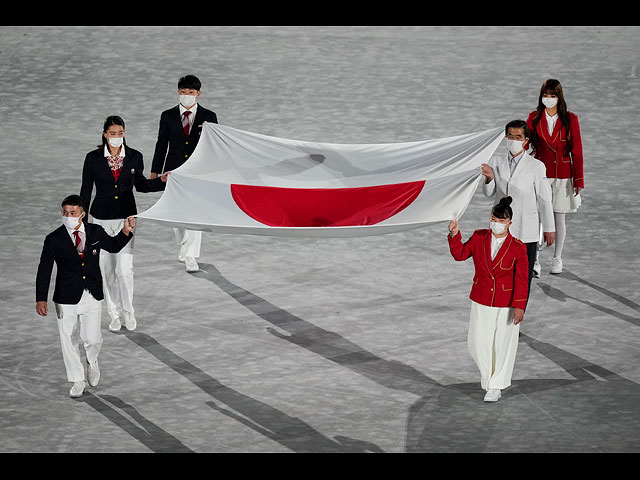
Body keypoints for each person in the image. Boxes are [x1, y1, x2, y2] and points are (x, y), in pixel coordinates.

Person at [36, 195, 135, 398]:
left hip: (92, 294)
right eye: (65, 213)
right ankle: (77, 379)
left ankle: (92, 360)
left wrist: (126, 231)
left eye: (72, 213)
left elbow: (114, 246)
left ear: (82, 213)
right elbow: (44, 270)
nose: (68, 216)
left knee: (92, 338)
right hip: (65, 297)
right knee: (68, 339)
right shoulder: (53, 239)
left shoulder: (95, 232)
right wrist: (41, 298)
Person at [80, 116, 168, 332]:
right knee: (107, 270)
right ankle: (114, 314)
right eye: (113, 134)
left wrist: (163, 182)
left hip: (126, 218)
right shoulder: (92, 158)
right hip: (100, 219)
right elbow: (86, 189)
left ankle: (129, 311)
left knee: (124, 269)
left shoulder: (135, 157)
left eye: (120, 133)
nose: (117, 137)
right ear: (104, 134)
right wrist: (80, 220)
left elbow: (142, 185)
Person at [447, 197, 529, 402]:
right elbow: (460, 254)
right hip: (481, 298)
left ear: (509, 223)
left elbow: (522, 279)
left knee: (502, 345)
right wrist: (455, 234)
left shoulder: (518, 247)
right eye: (493, 218)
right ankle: (487, 378)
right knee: (477, 343)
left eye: (501, 220)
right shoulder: (479, 237)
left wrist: (520, 306)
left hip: (506, 303)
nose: (496, 223)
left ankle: (495, 385)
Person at [150, 74, 218, 273]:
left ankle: (190, 255)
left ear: (198, 94)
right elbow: (161, 145)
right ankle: (183, 245)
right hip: (173, 171)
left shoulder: (209, 116)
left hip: (198, 172)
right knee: (176, 212)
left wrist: (213, 173)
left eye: (191, 92)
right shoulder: (167, 116)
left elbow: (214, 146)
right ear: (178, 92)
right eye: (183, 92)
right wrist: (155, 173)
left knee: (194, 214)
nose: (186, 95)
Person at [481, 120, 555, 296]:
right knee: (500, 275)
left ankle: (517, 314)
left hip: (525, 231)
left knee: (522, 278)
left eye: (518, 137)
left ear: (526, 140)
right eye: (510, 136)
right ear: (506, 137)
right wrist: (490, 178)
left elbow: (544, 199)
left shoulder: (537, 167)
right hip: (502, 229)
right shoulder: (496, 162)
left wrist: (549, 228)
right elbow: (488, 193)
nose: (513, 140)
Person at [526, 79, 584, 275]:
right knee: (539, 217)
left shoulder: (570, 119)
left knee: (559, 218)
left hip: (562, 175)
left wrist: (578, 179)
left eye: (552, 95)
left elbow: (577, 151)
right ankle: (534, 260)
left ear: (559, 97)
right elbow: (525, 143)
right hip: (541, 173)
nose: (548, 99)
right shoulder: (533, 118)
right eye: (545, 95)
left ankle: (557, 258)